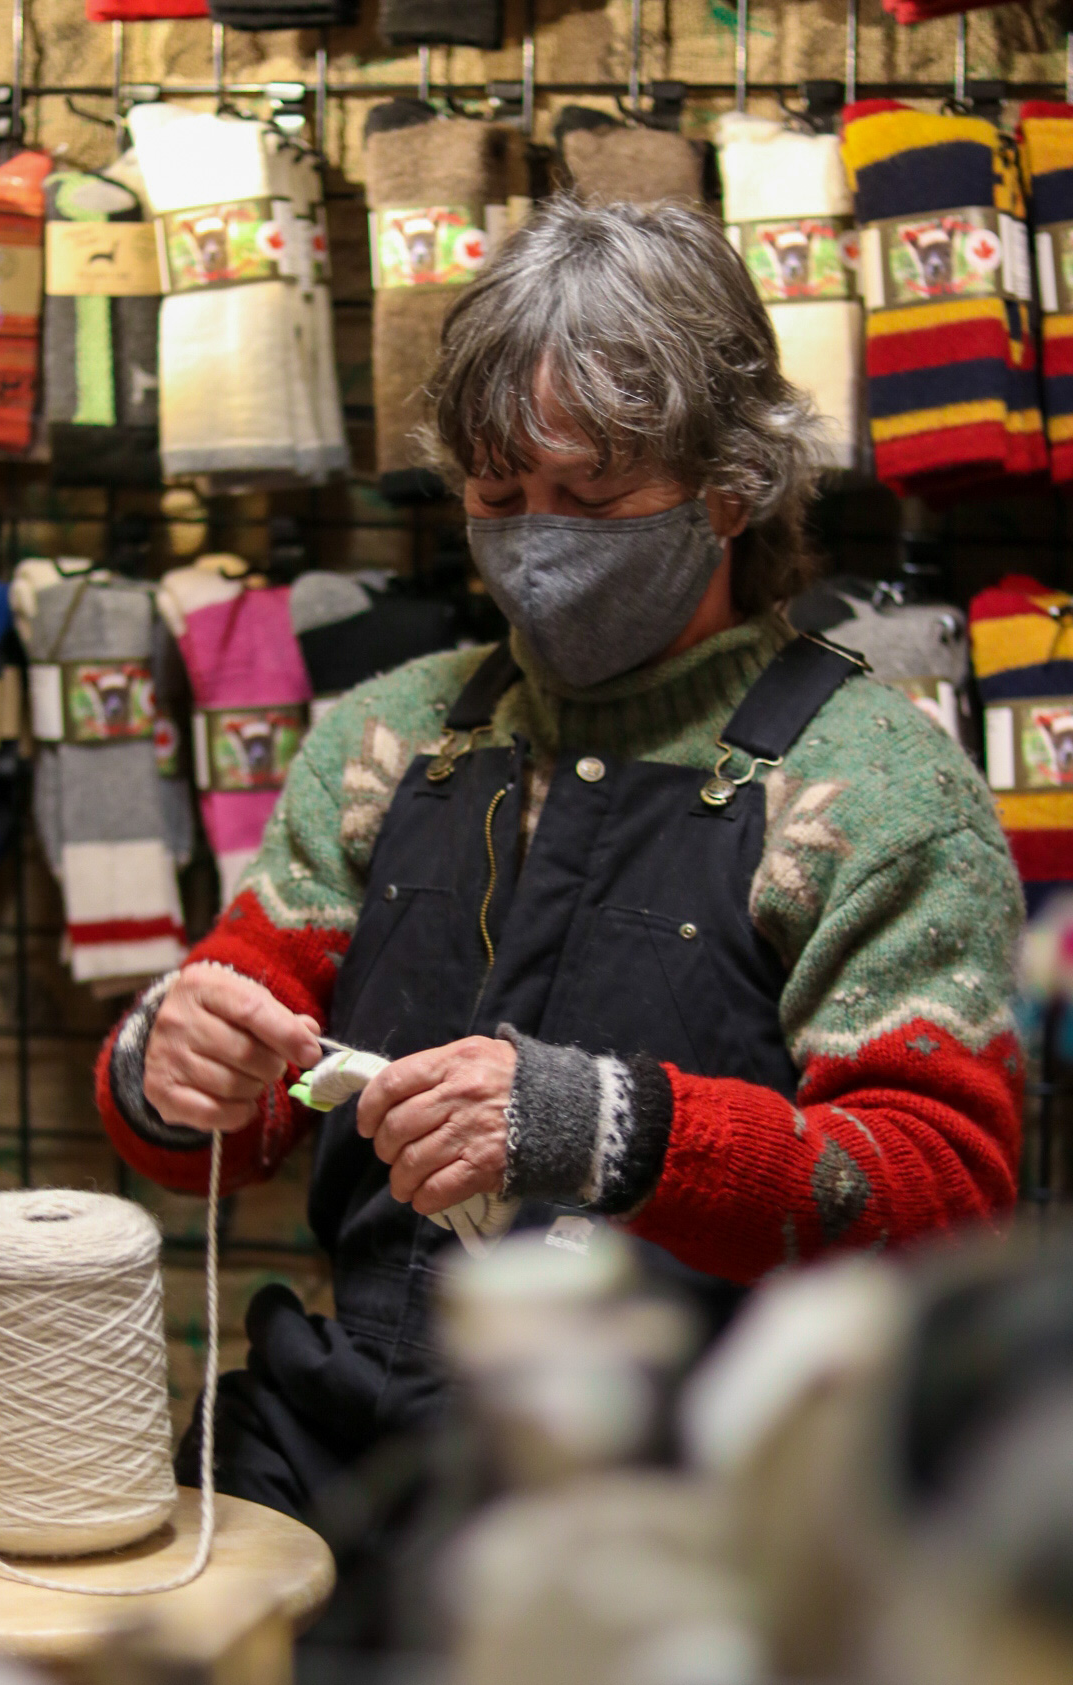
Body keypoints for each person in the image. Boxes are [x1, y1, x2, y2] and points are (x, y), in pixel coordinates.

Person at [97, 195, 1022, 1561]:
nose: (536, 537)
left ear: (730, 485)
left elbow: (941, 1198)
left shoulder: (874, 794)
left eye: (588, 496)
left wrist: (614, 1130)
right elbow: (236, 1105)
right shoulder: (386, 740)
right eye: (496, 496)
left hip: (699, 1517)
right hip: (349, 1468)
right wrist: (170, 1067)